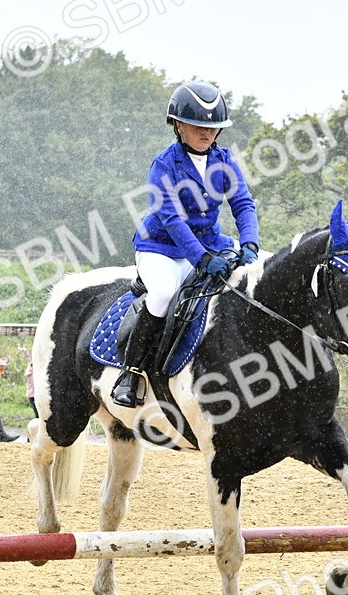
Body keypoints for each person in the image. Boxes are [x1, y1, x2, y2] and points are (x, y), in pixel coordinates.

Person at [111, 79, 260, 408]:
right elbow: (172, 219)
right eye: (197, 126)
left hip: (212, 242)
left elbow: (243, 204)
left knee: (260, 271)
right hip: (162, 247)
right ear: (178, 125)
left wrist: (250, 243)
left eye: (213, 127)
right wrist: (203, 259)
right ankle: (130, 374)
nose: (207, 133)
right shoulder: (165, 164)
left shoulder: (224, 159)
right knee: (163, 295)